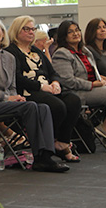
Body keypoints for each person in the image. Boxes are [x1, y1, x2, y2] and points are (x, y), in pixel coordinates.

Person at [0, 18, 68, 173]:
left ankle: (46, 154)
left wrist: (15, 96)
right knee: (31, 106)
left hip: (9, 101)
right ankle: (39, 156)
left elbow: (13, 85)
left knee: (44, 108)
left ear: (3, 34)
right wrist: (6, 98)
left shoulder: (9, 57)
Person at [5, 16, 81, 163]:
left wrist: (55, 83)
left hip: (47, 89)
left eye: (33, 29)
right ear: (16, 30)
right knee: (57, 106)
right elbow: (17, 78)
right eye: (26, 29)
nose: (31, 32)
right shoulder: (11, 51)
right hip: (29, 91)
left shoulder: (35, 50)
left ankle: (62, 142)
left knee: (73, 100)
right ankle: (50, 142)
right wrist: (41, 87)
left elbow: (52, 72)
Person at [51, 20, 106, 153]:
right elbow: (67, 80)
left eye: (77, 30)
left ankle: (105, 128)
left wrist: (100, 81)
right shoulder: (62, 53)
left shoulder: (85, 51)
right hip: (77, 92)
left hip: (93, 87)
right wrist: (92, 84)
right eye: (70, 32)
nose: (75, 34)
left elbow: (94, 71)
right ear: (63, 36)